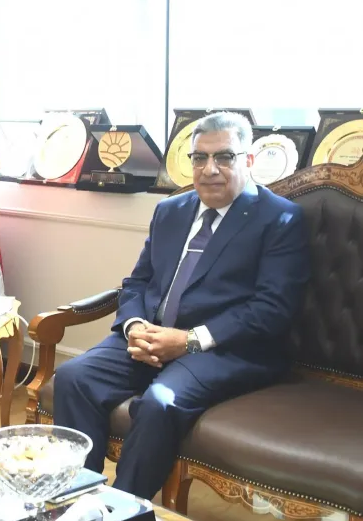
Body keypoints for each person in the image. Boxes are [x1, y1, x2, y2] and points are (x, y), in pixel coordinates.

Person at [53, 111, 310, 500]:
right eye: (199, 157)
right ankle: (74, 499)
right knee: (74, 377)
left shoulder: (280, 218)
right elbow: (138, 282)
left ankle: (120, 512)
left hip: (223, 350)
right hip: (151, 337)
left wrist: (188, 340)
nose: (210, 169)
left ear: (249, 160)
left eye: (224, 157)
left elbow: (271, 309)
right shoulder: (170, 211)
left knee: (159, 403)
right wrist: (134, 327)